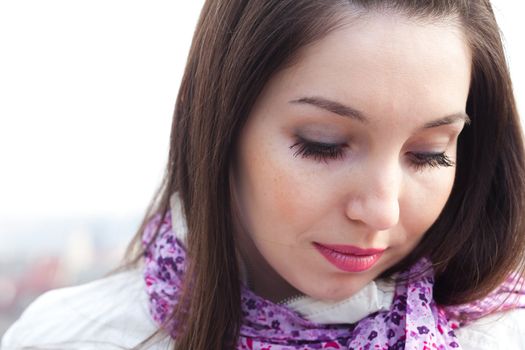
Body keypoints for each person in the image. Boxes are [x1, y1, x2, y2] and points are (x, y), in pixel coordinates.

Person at [3, 0, 525, 349]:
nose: (382, 210)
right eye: (323, 145)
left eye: (429, 154)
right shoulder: (75, 338)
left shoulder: (503, 332)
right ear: (222, 128)